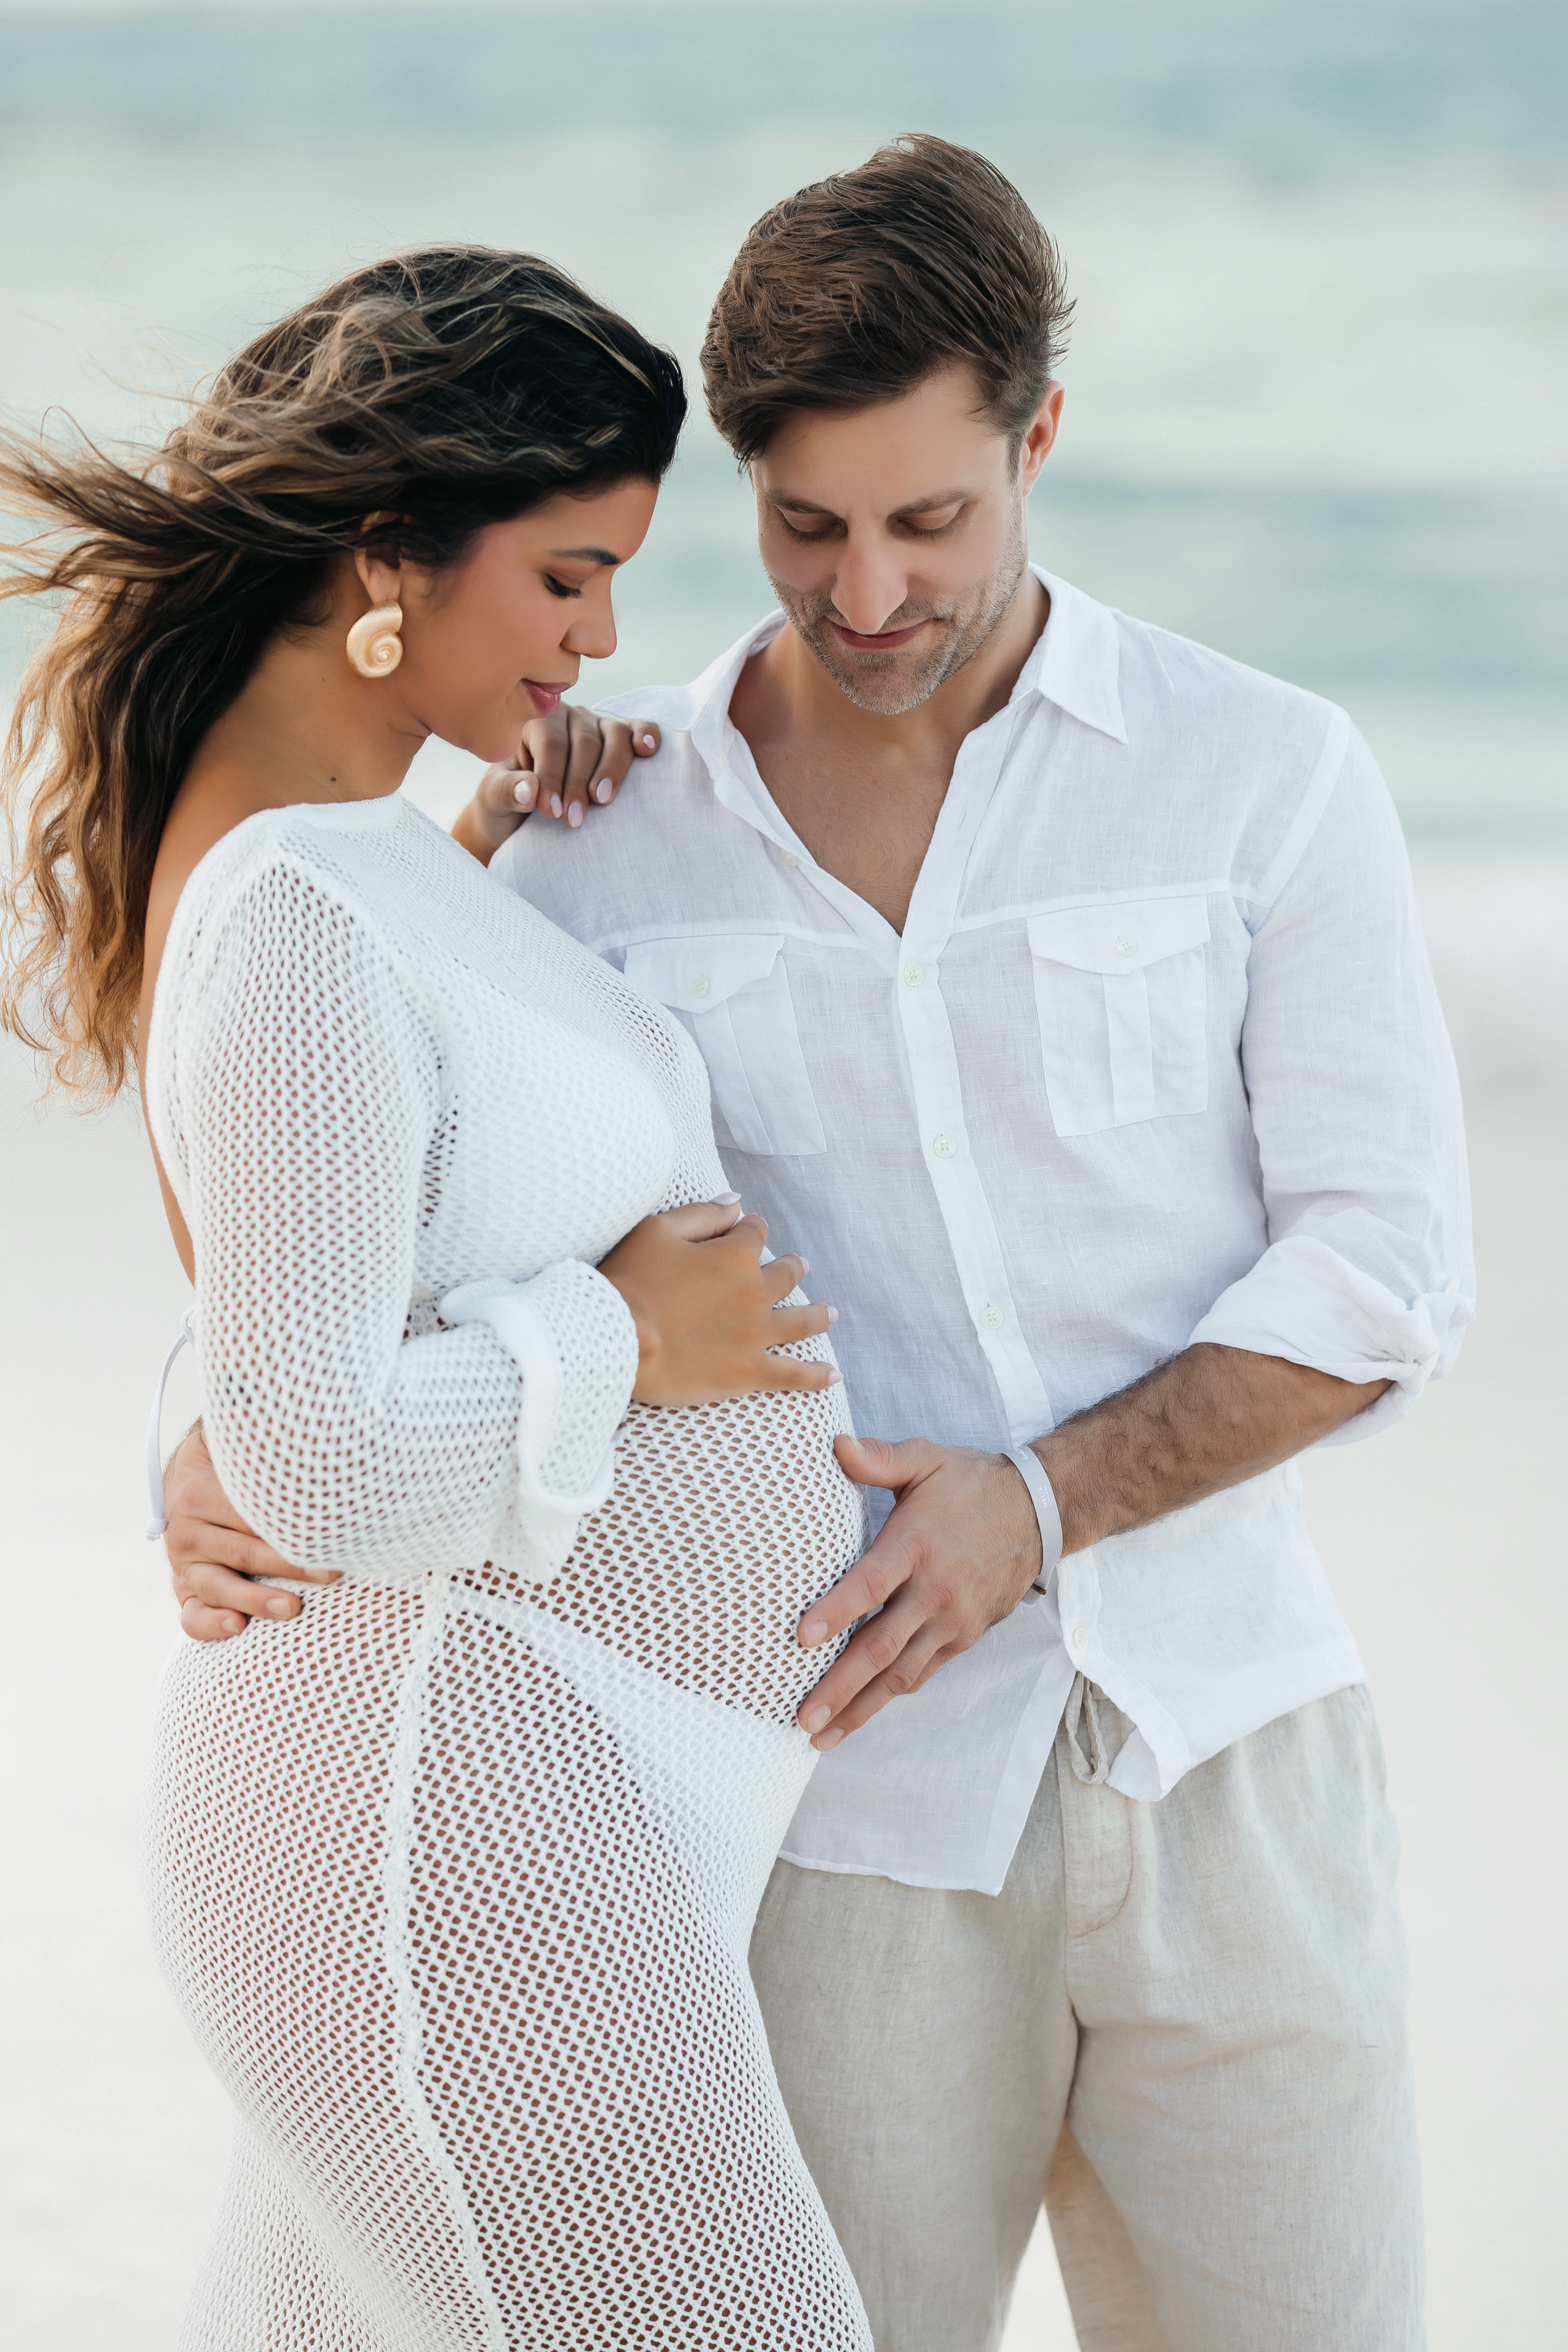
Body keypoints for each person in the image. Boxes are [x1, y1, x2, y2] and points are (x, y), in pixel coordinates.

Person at [164, 142, 1473, 2350]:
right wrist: (206, 1431)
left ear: (1039, 440)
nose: (867, 596)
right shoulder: (586, 826)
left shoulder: (1268, 777)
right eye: (806, 529)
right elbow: (366, 1183)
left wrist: (1031, 1512)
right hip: (835, 1815)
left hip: (1234, 1769)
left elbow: (1383, 1282)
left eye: (932, 522)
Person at [1, 247, 875, 2350]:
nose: (600, 635)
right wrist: (626, 1341)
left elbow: (335, 1267)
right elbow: (311, 1450)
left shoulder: (361, 856)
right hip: (437, 1828)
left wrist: (487, 831)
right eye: (566, 579)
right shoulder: (294, 898)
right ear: (390, 555)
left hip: (510, 1800)